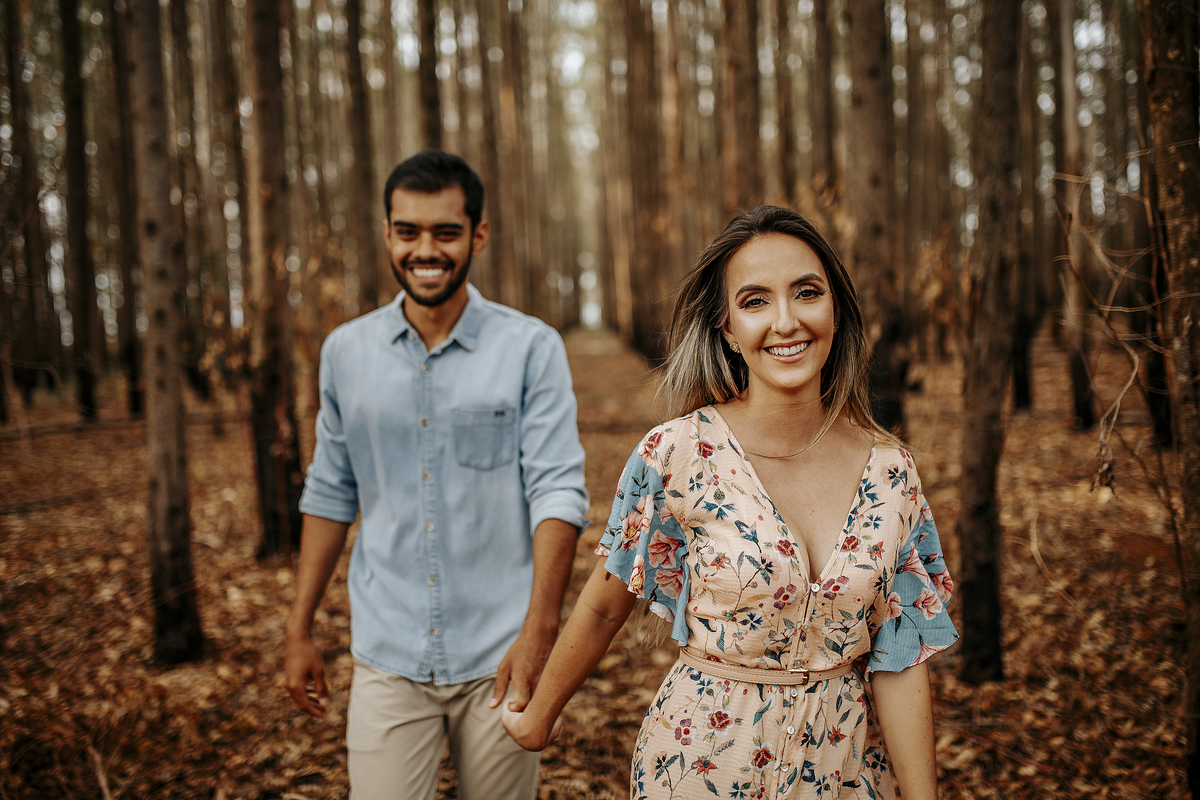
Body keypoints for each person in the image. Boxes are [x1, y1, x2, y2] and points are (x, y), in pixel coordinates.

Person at [502, 205, 958, 800]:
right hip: (702, 765)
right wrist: (538, 718)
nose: (786, 321)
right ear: (727, 329)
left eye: (806, 292)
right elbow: (603, 605)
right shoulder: (677, 454)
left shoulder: (892, 473)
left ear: (836, 309)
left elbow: (900, 655)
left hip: (843, 773)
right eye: (755, 301)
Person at [284, 149, 589, 800]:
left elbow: (557, 491)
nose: (426, 250)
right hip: (387, 656)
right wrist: (299, 627)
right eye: (408, 231)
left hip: (500, 654)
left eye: (445, 232)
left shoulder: (530, 348)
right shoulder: (344, 353)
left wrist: (540, 632)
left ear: (477, 235)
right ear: (389, 234)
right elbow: (330, 492)